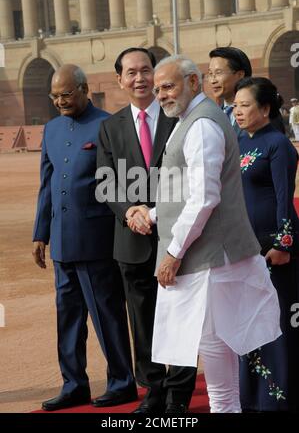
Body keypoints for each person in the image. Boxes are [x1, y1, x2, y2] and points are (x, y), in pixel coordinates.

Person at [129, 55, 281, 413]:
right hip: (209, 258)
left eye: (169, 86)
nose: (162, 95)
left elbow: (203, 198)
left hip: (210, 262)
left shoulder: (200, 126)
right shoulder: (191, 122)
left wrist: (173, 253)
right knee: (219, 361)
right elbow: (186, 193)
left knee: (216, 363)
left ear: (193, 83)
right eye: (158, 89)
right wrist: (151, 214)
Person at [96, 48, 197, 414]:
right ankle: (153, 391)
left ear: (156, 75)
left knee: (181, 316)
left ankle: (180, 393)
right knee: (142, 321)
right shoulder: (110, 127)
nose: (139, 78)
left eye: (145, 71)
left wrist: (154, 213)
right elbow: (105, 183)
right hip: (132, 240)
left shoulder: (180, 119)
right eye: (131, 73)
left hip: (177, 238)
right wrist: (130, 215)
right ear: (120, 80)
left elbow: (190, 178)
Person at [32, 64, 137, 411]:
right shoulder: (50, 129)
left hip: (97, 239)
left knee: (107, 315)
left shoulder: (108, 124)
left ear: (83, 89)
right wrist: (40, 234)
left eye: (65, 94)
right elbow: (47, 185)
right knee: (68, 319)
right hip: (62, 242)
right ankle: (74, 384)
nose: (60, 101)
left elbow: (121, 183)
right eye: (54, 96)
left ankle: (121, 382)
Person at [234, 77, 299, 412]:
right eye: (236, 105)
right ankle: (252, 398)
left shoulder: (278, 146)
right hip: (245, 252)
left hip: (274, 253)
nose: (238, 110)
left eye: (245, 105)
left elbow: (283, 198)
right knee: (248, 325)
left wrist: (283, 244)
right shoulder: (239, 141)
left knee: (275, 325)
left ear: (265, 108)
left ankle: (277, 400)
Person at [208, 46, 285, 134]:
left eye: (218, 73)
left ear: (240, 75)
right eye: (210, 74)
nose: (213, 80)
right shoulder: (215, 115)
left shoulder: (263, 114)